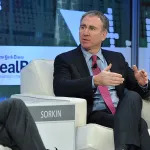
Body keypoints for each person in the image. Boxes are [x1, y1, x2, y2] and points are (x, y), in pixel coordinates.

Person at [53, 10, 150, 150]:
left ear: (104, 35)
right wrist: (95, 81)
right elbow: (60, 87)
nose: (85, 32)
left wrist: (143, 83)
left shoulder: (117, 58)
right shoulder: (66, 59)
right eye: (82, 27)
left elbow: (138, 90)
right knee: (140, 124)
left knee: (133, 96)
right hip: (95, 113)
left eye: (92, 28)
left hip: (121, 110)